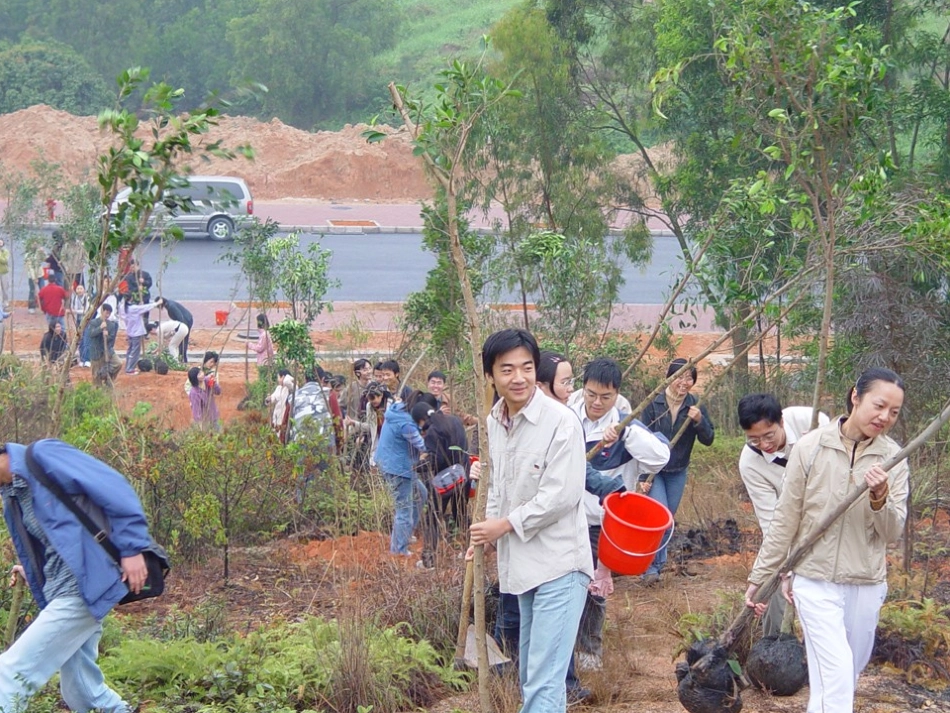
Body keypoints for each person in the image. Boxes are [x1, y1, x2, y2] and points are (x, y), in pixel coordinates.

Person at [744, 368, 908, 713]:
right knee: (836, 670)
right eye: (879, 406)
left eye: (894, 412)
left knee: (841, 674)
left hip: (865, 581)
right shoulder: (811, 447)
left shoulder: (893, 457)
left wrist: (880, 496)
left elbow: (892, 532)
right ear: (855, 396)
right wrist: (763, 577)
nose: (885, 417)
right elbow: (784, 519)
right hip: (814, 579)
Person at [468, 329, 593, 713]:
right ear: (491, 375)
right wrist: (484, 535)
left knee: (543, 681)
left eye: (526, 367)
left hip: (560, 565)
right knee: (532, 676)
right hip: (520, 567)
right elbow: (499, 485)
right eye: (507, 369)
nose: (517, 377)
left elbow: (561, 496)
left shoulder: (561, 422)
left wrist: (503, 526)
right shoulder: (495, 420)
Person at [0, 438, 153, 713]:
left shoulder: (44, 455)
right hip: (60, 585)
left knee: (10, 673)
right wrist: (33, 570)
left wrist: (132, 548)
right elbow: (55, 538)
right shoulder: (12, 493)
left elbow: (113, 487)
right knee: (80, 687)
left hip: (84, 585)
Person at [737, 393, 830, 636]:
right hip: (789, 526)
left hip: (829, 520)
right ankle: (775, 647)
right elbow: (772, 523)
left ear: (781, 421)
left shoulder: (811, 421)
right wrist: (787, 568)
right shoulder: (750, 463)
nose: (764, 445)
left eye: (769, 435)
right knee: (773, 586)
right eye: (754, 440)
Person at [638, 358, 715, 581]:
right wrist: (644, 476)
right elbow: (640, 439)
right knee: (657, 517)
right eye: (679, 376)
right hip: (655, 471)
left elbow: (708, 439)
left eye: (689, 377)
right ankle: (649, 568)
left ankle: (656, 567)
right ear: (669, 377)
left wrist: (699, 420)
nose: (684, 382)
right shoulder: (654, 404)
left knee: (667, 521)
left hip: (677, 471)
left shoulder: (695, 405)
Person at [412, 399, 468, 569]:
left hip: (444, 483)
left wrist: (417, 466)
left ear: (420, 420)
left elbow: (437, 460)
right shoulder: (455, 421)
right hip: (463, 475)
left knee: (433, 519)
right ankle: (470, 550)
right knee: (461, 514)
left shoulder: (432, 432)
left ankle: (429, 560)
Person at [376, 389, 428, 556]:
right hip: (398, 469)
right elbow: (423, 446)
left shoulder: (396, 409)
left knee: (421, 493)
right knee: (403, 510)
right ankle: (399, 551)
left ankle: (405, 534)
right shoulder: (406, 424)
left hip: (391, 463)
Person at [121, 296, 161, 374]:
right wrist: (157, 303)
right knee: (135, 352)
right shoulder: (133, 308)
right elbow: (145, 307)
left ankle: (128, 367)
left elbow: (141, 309)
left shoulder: (124, 308)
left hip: (130, 332)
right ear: (131, 299)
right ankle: (130, 369)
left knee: (130, 350)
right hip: (136, 332)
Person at [88, 304, 121, 387]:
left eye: (109, 313)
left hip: (108, 351)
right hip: (96, 352)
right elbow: (91, 334)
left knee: (118, 363)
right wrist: (100, 328)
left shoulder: (111, 325)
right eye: (106, 312)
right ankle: (98, 393)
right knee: (96, 377)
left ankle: (108, 381)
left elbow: (112, 339)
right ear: (102, 312)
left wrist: (107, 336)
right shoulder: (94, 322)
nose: (107, 315)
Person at [157, 297, 193, 363]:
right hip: (185, 321)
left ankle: (183, 359)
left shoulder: (171, 307)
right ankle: (182, 358)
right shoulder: (169, 304)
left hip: (186, 321)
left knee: (182, 342)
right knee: (181, 341)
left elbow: (180, 317)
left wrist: (179, 329)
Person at [187, 366, 221, 430]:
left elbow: (218, 392)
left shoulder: (207, 380)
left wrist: (214, 384)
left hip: (214, 414)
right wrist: (201, 425)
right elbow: (196, 410)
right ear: (195, 378)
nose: (202, 374)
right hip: (204, 420)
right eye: (199, 374)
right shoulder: (194, 393)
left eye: (201, 372)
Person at [266, 370, 295, 443]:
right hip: (276, 421)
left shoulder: (291, 388)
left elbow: (287, 382)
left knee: (284, 440)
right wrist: (268, 399)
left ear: (283, 377)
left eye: (279, 377)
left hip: (285, 421)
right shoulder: (278, 388)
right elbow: (273, 398)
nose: (278, 380)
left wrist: (287, 377)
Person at [70, 283, 91, 367]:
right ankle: (82, 359)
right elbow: (72, 308)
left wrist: (76, 311)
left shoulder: (87, 298)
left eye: (81, 288)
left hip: (85, 321)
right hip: (78, 321)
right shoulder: (75, 298)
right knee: (80, 340)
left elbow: (85, 311)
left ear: (84, 290)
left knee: (86, 340)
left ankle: (87, 359)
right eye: (78, 289)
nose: (79, 290)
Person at [0, 237, 10, 309]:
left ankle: (5, 303)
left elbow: (5, 261)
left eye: (1, 242)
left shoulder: (5, 251)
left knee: (5, 288)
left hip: (4, 272)